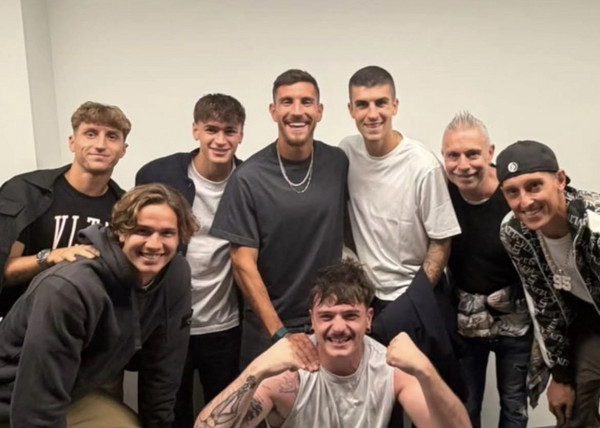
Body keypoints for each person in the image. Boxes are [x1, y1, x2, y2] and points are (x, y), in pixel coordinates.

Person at [0, 183, 199, 428]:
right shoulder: (69, 289)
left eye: (167, 233)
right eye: (142, 231)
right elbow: (36, 403)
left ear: (181, 235)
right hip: (14, 397)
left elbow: (164, 369)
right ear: (121, 232)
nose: (154, 245)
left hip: (72, 392)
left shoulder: (175, 274)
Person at [194, 260, 471, 428]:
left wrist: (426, 371)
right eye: (326, 317)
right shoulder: (289, 376)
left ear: (368, 319)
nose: (338, 327)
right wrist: (257, 370)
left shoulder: (389, 369)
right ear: (312, 320)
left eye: (350, 315)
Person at [339, 65, 465, 401]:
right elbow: (347, 218)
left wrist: (412, 301)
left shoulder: (422, 165)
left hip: (417, 296)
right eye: (362, 104)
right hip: (369, 301)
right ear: (350, 110)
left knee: (432, 399)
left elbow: (441, 241)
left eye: (381, 103)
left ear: (395, 105)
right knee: (377, 401)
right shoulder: (347, 153)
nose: (372, 114)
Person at [210, 69, 348, 368]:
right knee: (266, 401)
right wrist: (280, 334)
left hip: (327, 322)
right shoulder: (248, 178)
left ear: (319, 111)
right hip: (269, 329)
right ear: (273, 111)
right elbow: (242, 264)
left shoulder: (337, 163)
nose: (297, 111)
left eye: (306, 102)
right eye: (287, 102)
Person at [136, 93, 245, 426]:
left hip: (226, 326)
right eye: (211, 129)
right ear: (195, 130)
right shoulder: (158, 174)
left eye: (230, 131)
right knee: (166, 416)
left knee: (226, 417)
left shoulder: (250, 179)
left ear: (241, 135)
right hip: (167, 325)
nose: (220, 140)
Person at [498, 140, 600, 428]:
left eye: (534, 186)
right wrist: (561, 376)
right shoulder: (514, 231)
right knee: (573, 408)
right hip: (589, 322)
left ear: (560, 180)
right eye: (512, 192)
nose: (525, 202)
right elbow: (544, 303)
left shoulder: (594, 225)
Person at [441, 112, 531, 428]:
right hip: (465, 322)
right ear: (443, 156)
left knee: (515, 407)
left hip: (516, 321)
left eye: (472, 154)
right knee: (465, 406)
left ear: (490, 152)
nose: (463, 165)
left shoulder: (514, 195)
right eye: (453, 155)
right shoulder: (441, 193)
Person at [0, 101, 130, 316]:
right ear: (72, 142)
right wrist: (52, 256)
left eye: (112, 136)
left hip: (94, 324)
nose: (100, 144)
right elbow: (4, 271)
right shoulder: (25, 191)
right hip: (27, 323)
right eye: (90, 134)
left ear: (123, 150)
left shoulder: (125, 209)